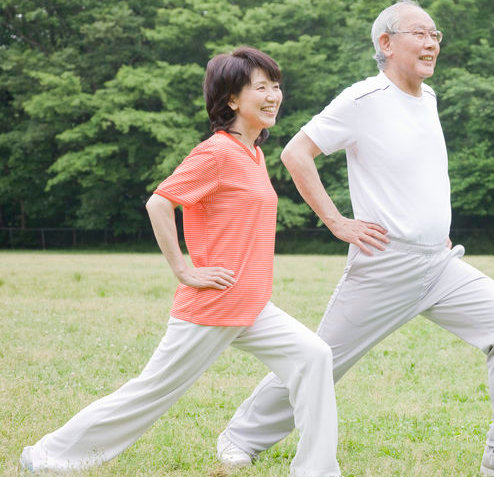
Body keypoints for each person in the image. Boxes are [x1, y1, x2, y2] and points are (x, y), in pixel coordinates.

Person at [216, 2, 494, 476]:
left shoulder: (429, 98)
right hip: (384, 264)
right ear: (385, 43)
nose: (432, 42)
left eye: (435, 34)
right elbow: (297, 153)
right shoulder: (363, 100)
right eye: (420, 33)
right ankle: (241, 437)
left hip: (439, 265)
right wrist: (338, 222)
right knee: (323, 360)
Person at [19, 47, 341, 477]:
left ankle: (317, 470)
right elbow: (160, 203)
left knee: (314, 356)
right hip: (213, 305)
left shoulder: (254, 154)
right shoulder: (217, 152)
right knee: (150, 393)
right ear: (231, 100)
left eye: (276, 86)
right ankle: (45, 458)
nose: (273, 95)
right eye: (260, 87)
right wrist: (185, 270)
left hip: (250, 303)